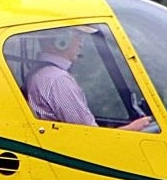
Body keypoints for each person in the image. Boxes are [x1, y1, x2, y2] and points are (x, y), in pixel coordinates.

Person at [25, 26, 154, 131]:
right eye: (78, 36)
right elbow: (90, 136)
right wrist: (133, 128)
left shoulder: (40, 73)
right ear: (61, 40)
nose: (81, 44)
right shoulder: (58, 80)